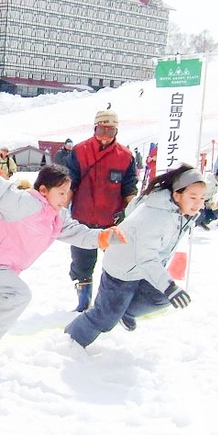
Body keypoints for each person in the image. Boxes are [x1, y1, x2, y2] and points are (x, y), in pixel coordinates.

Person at [0, 165, 124, 351]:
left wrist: (101, 237)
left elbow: (76, 232)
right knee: (18, 295)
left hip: (3, 264)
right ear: (43, 190)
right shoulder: (26, 203)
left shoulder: (57, 217)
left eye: (67, 194)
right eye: (61, 193)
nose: (65, 199)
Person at [64, 166, 205, 348]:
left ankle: (125, 312)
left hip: (144, 268)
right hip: (123, 269)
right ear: (177, 195)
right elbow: (146, 258)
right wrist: (169, 286)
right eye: (193, 197)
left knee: (161, 296)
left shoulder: (176, 209)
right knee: (105, 318)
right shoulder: (157, 217)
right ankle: (70, 341)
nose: (198, 203)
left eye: (202, 198)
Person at [65, 109, 138, 312]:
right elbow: (68, 184)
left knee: (118, 263)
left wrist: (131, 212)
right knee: (82, 265)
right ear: (94, 128)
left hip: (112, 221)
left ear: (117, 131)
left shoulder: (125, 156)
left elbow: (130, 187)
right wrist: (60, 209)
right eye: (101, 129)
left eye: (110, 131)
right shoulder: (79, 151)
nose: (105, 135)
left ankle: (112, 303)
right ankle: (83, 301)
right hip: (82, 218)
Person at [196, 166, 218, 230]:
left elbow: (209, 197)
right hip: (198, 204)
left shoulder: (215, 184)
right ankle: (198, 222)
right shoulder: (209, 184)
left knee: (216, 213)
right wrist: (202, 207)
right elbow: (200, 195)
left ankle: (201, 221)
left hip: (204, 204)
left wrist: (212, 205)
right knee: (202, 214)